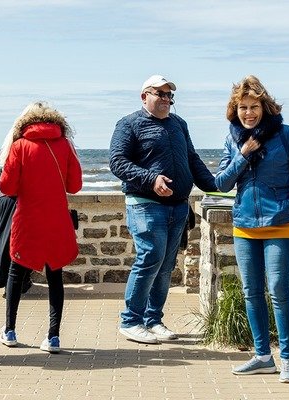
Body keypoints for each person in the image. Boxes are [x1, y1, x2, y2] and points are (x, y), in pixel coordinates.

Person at [215, 75, 289, 383]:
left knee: (279, 290)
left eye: (254, 107)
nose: (248, 113)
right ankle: (262, 357)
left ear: (265, 107)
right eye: (243, 107)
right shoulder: (233, 139)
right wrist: (243, 155)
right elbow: (222, 183)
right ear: (235, 110)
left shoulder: (285, 135)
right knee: (251, 292)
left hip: (280, 223)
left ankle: (287, 360)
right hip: (245, 225)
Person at [109, 75, 217, 344]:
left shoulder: (179, 124)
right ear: (144, 96)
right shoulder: (128, 124)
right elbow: (117, 162)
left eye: (169, 95)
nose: (166, 99)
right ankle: (130, 321)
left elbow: (191, 159)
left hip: (177, 207)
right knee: (150, 258)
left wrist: (215, 186)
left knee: (166, 265)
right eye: (160, 94)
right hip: (145, 205)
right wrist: (151, 179)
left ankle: (153, 320)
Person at [0, 101, 82, 354]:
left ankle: (10, 331)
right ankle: (53, 337)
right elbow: (75, 186)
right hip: (56, 220)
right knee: (55, 276)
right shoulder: (65, 144)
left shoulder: (20, 145)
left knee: (16, 272)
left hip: (28, 220)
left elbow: (7, 187)